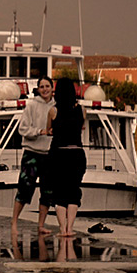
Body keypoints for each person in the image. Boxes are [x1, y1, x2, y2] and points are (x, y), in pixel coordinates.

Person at [11, 76, 55, 239]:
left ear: (52, 88)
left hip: (49, 154)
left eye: (47, 86)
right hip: (32, 153)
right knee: (24, 188)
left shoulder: (57, 106)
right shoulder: (31, 106)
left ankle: (41, 225)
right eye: (42, 86)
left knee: (47, 191)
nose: (45, 89)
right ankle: (14, 222)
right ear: (37, 89)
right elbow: (22, 129)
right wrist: (39, 131)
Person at [45, 77, 87, 237]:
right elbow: (82, 126)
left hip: (59, 154)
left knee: (59, 192)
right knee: (73, 191)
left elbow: (49, 129)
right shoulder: (82, 110)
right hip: (77, 153)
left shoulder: (53, 111)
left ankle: (62, 229)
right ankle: (71, 228)